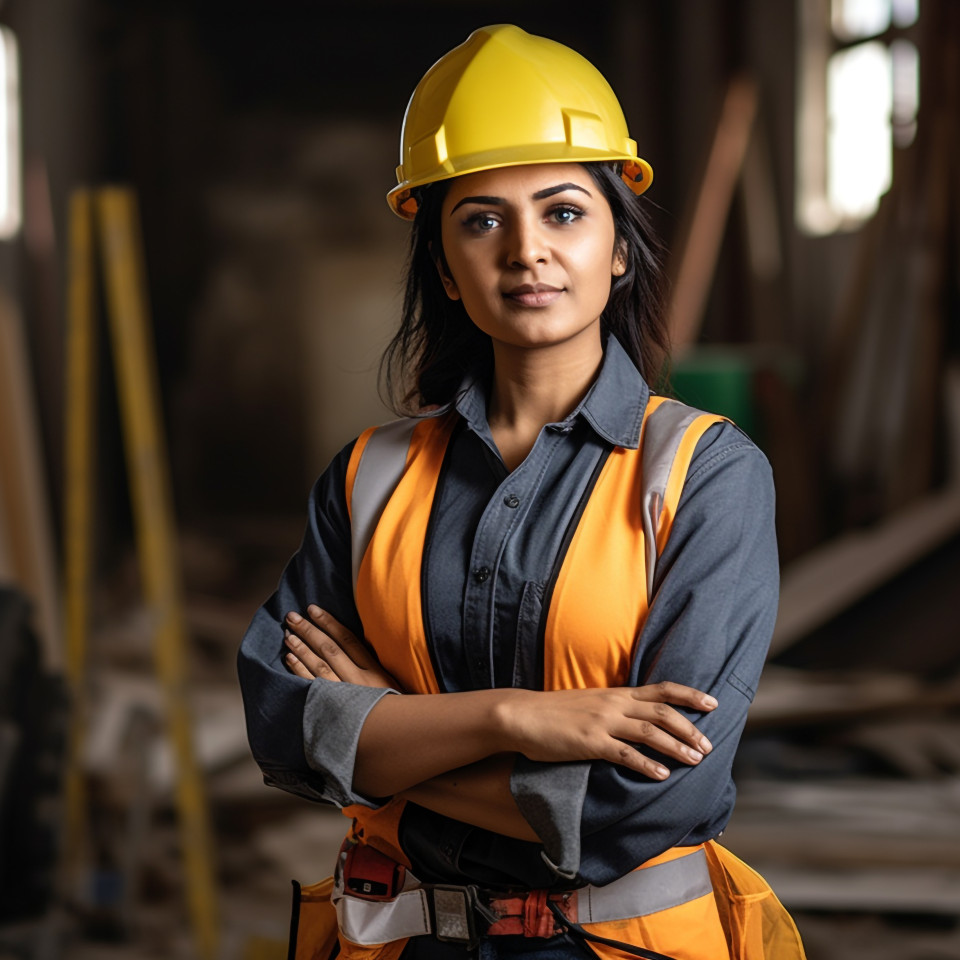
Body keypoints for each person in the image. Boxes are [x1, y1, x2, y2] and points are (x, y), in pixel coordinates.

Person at [238, 24, 806, 960]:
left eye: (564, 212)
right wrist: (516, 718)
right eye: (481, 220)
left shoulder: (705, 475)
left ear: (618, 248)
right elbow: (281, 725)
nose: (526, 250)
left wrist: (382, 737)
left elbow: (648, 804)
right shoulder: (369, 477)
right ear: (444, 268)